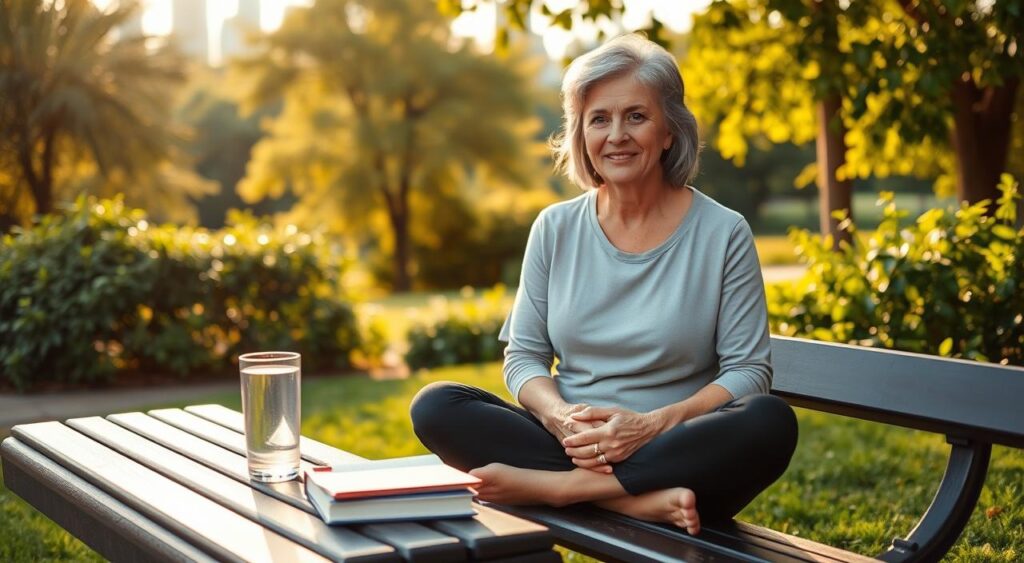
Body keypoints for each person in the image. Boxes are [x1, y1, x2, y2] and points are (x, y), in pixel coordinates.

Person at [410, 33, 797, 535]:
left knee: (769, 420)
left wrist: (651, 426)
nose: (617, 134)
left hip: (677, 448)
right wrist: (560, 417)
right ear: (582, 136)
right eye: (600, 119)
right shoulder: (555, 227)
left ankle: (563, 491)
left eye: (636, 116)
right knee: (437, 405)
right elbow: (524, 356)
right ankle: (631, 502)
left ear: (669, 132)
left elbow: (749, 370)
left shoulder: (724, 233)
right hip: (571, 443)